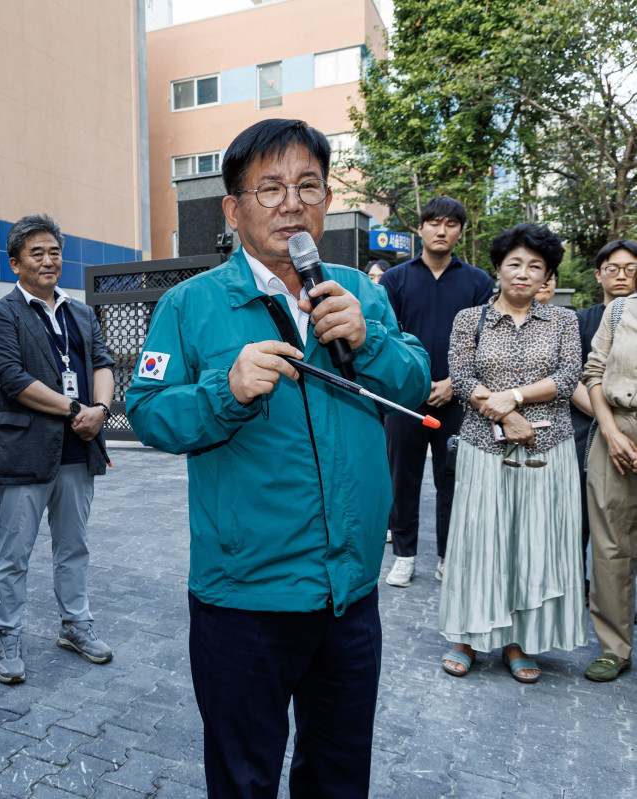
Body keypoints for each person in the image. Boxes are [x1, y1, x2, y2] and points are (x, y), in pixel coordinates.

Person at [126, 119, 430, 798]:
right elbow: (146, 409)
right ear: (232, 209)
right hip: (244, 600)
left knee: (338, 773)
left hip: (348, 594)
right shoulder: (189, 304)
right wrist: (224, 389)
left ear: (325, 200)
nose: (291, 202)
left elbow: (414, 383)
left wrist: (371, 341)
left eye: (307, 185)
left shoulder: (357, 288)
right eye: (268, 188)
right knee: (244, 777)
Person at [438, 223, 587, 683]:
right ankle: (466, 635)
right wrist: (504, 416)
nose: (523, 274)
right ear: (498, 268)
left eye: (535, 267)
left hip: (549, 450)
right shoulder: (470, 319)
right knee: (479, 542)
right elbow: (461, 379)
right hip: (485, 447)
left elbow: (567, 378)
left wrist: (515, 398)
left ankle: (518, 641)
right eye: (515, 264)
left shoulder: (564, 321)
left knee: (531, 543)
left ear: (547, 276)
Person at [0, 213, 115, 685]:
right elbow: (11, 379)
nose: (49, 260)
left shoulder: (81, 312)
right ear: (16, 263)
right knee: (14, 552)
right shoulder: (1, 315)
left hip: (78, 448)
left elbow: (102, 362)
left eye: (54, 251)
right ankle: (6, 633)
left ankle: (76, 625)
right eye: (37, 253)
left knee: (74, 546)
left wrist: (99, 408)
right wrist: (75, 407)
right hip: (25, 452)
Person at [377, 198, 494, 588]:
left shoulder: (477, 282)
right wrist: (416, 381)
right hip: (406, 396)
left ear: (461, 230)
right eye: (434, 223)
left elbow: (484, 342)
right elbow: (386, 337)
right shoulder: (395, 280)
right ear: (421, 229)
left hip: (460, 399)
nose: (441, 230)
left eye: (450, 224)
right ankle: (404, 555)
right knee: (402, 477)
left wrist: (453, 384)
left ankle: (448, 555)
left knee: (453, 478)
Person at [582, 249, 637, 682]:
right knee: (609, 545)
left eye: (631, 267)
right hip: (614, 429)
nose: (625, 274)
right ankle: (614, 648)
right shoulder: (618, 311)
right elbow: (593, 372)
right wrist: (611, 432)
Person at [572, 241, 637, 596]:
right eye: (613, 268)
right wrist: (608, 420)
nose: (622, 275)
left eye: (630, 268)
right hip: (587, 428)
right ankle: (580, 586)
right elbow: (574, 375)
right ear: (599, 274)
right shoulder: (582, 320)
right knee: (585, 515)